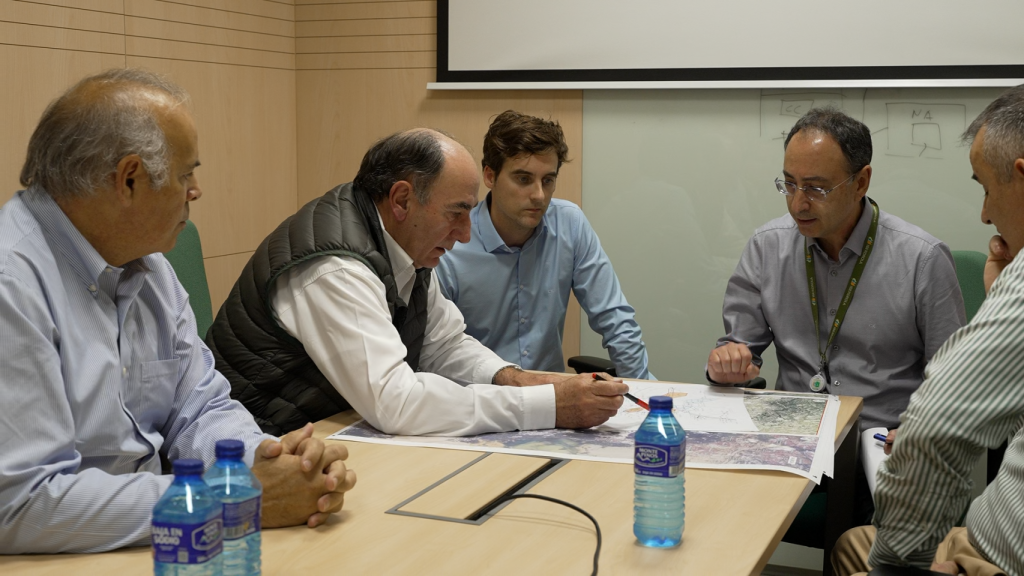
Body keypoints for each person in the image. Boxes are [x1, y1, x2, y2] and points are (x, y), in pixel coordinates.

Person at [0, 69, 356, 554]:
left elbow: (201, 410)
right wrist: (232, 499)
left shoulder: (150, 267)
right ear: (129, 179)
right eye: (186, 174)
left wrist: (271, 463)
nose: (196, 190)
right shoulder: (12, 282)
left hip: (147, 541)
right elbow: (22, 504)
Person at [206, 128, 628, 437]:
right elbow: (397, 402)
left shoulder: (400, 240)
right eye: (456, 213)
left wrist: (515, 379)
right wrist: (548, 406)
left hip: (329, 429)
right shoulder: (336, 268)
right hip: (257, 451)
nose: (466, 234)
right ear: (402, 200)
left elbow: (443, 343)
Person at [831, 86, 1024, 576]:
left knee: (868, 555)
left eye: (986, 188)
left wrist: (898, 570)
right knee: (853, 543)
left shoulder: (924, 254)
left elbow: (935, 430)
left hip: (1001, 557)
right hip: (991, 530)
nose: (985, 213)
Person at [706, 107, 965, 432]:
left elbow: (954, 381)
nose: (798, 204)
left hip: (882, 440)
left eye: (816, 189)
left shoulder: (922, 259)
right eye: (790, 184)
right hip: (793, 435)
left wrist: (920, 432)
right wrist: (725, 366)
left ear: (861, 183)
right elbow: (738, 350)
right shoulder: (766, 247)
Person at [435, 110, 654, 379]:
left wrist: (643, 391)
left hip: (552, 397)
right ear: (490, 176)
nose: (539, 195)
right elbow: (437, 350)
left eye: (548, 180)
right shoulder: (451, 244)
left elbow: (616, 320)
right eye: (523, 179)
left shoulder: (569, 223)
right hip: (478, 396)